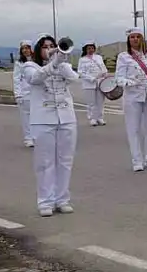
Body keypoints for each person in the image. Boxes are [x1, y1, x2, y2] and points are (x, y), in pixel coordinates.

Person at [24, 33, 79, 217]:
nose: (49, 49)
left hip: (66, 117)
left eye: (52, 46)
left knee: (65, 161)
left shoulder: (63, 65)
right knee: (45, 162)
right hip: (43, 119)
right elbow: (35, 79)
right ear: (39, 50)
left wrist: (61, 60)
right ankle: (45, 201)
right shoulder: (29, 66)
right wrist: (53, 64)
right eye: (45, 46)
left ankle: (62, 199)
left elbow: (73, 78)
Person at [115, 27, 147, 172]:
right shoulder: (124, 56)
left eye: (138, 36)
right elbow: (118, 78)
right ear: (128, 40)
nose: (135, 39)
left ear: (142, 38)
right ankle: (137, 160)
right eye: (132, 37)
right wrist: (129, 82)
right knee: (133, 129)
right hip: (133, 96)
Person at [77, 41, 108, 127]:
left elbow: (103, 67)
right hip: (88, 83)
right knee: (91, 102)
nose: (91, 50)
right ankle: (92, 118)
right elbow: (80, 72)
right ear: (85, 49)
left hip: (100, 82)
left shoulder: (98, 57)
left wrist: (105, 74)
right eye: (89, 48)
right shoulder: (82, 60)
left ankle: (100, 118)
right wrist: (91, 78)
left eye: (92, 48)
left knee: (100, 101)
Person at [13, 40, 35, 147]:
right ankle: (28, 138)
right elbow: (16, 79)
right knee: (26, 116)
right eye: (23, 48)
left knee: (37, 116)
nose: (26, 50)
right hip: (24, 93)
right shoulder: (19, 63)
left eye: (28, 48)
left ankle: (37, 136)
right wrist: (18, 94)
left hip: (37, 92)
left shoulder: (37, 61)